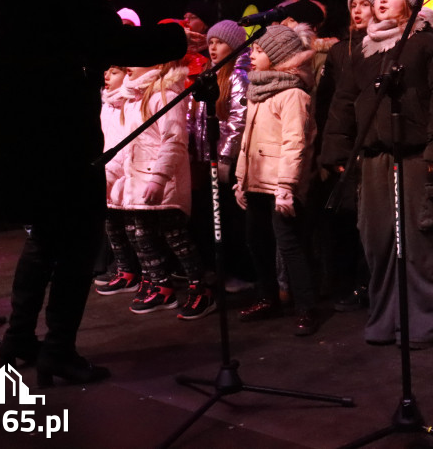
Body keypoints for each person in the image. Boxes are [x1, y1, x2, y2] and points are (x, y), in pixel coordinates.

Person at [0, 0, 188, 386]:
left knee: (43, 241)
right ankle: (58, 351)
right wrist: (173, 37)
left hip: (22, 127)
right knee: (78, 241)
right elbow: (105, 42)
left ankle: (16, 344)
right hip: (58, 128)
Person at [321, 0, 433, 348]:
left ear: (411, 0)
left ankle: (427, 321)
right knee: (378, 240)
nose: (381, 1)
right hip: (374, 161)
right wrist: (337, 151)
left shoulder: (428, 44)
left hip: (416, 157)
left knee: (420, 241)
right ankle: (386, 317)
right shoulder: (366, 51)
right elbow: (343, 103)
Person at [234, 24, 322, 336]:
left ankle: (307, 306)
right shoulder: (259, 89)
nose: (252, 55)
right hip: (257, 180)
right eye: (253, 49)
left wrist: (287, 186)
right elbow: (248, 139)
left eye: (259, 50)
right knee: (256, 241)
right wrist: (240, 178)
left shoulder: (293, 93)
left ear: (279, 56)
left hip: (280, 183)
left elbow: (295, 143)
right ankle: (267, 297)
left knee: (289, 245)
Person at [112, 59, 213, 319]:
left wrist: (158, 178)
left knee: (176, 237)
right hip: (137, 180)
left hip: (163, 181)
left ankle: (200, 289)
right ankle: (161, 286)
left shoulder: (166, 95)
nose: (129, 64)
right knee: (140, 236)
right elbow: (127, 147)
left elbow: (174, 141)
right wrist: (111, 177)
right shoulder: (135, 98)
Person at [313, 0, 376, 311]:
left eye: (364, 4)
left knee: (369, 219)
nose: (357, 10)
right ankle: (347, 282)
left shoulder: (382, 45)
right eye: (353, 5)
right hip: (345, 147)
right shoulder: (340, 51)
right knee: (345, 219)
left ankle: (368, 283)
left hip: (371, 142)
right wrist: (330, 149)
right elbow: (329, 102)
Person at [186, 19, 253, 291]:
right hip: (204, 159)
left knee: (228, 219)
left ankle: (239, 272)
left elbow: (238, 120)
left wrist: (224, 158)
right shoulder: (208, 75)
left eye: (220, 42)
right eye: (211, 42)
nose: (213, 47)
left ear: (235, 45)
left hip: (224, 160)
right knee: (206, 218)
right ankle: (216, 269)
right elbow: (194, 117)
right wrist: (191, 149)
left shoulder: (237, 77)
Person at [96, 64, 142, 296]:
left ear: (126, 76)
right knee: (112, 228)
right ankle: (125, 272)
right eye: (107, 71)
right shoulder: (107, 105)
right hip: (108, 174)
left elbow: (128, 143)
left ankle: (143, 275)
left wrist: (119, 173)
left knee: (134, 230)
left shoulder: (129, 103)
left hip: (124, 176)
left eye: (114, 72)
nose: (106, 75)